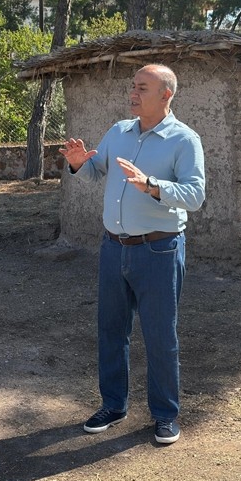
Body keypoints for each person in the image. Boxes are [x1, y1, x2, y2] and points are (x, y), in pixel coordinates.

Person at [59, 64, 205, 445]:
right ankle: (113, 404)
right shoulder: (118, 132)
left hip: (159, 249)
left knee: (159, 336)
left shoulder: (184, 140)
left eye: (142, 88)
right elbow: (94, 172)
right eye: (133, 87)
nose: (133, 94)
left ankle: (164, 415)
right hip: (113, 248)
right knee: (110, 331)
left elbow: (195, 194)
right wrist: (78, 164)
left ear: (166, 95)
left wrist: (152, 186)